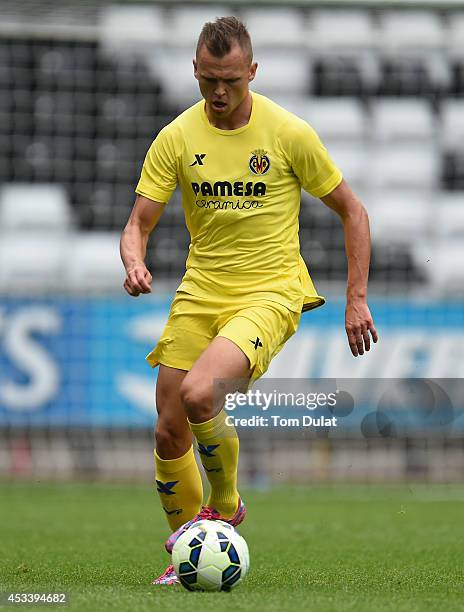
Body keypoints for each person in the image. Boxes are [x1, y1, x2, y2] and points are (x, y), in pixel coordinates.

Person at [120, 16, 378, 585]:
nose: (218, 92)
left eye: (231, 81)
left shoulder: (288, 133)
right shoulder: (177, 137)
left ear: (252, 72)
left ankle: (229, 502)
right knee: (168, 428)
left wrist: (354, 298)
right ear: (194, 70)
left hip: (270, 292)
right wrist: (134, 259)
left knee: (199, 393)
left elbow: (353, 211)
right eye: (208, 79)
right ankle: (186, 555)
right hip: (200, 290)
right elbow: (138, 221)